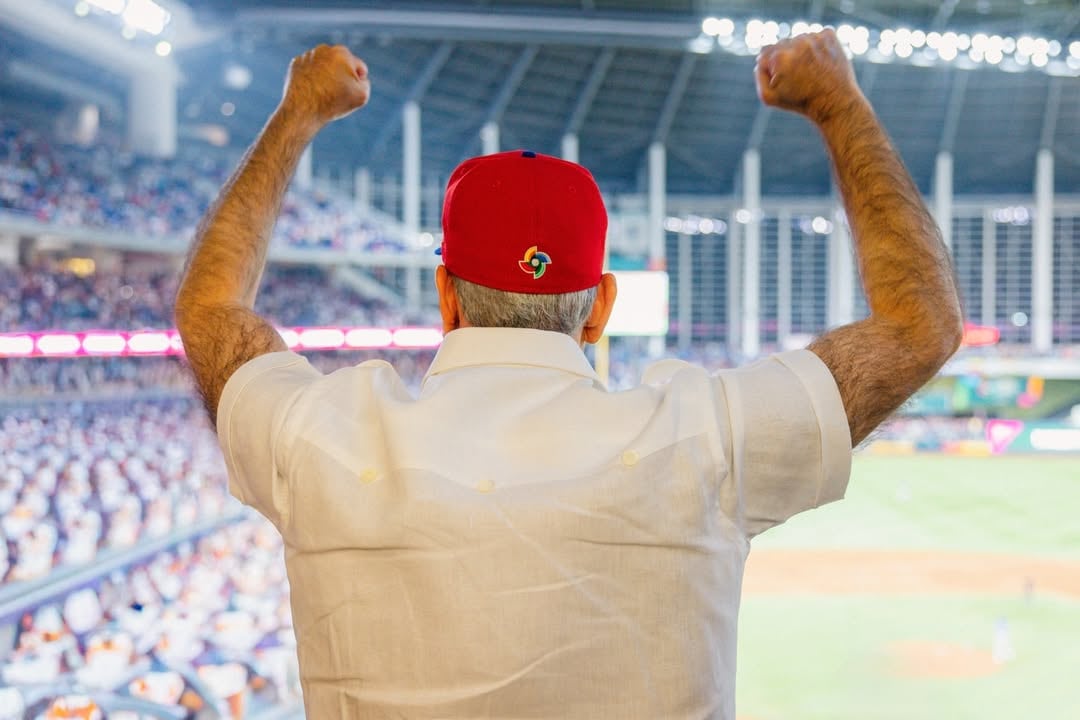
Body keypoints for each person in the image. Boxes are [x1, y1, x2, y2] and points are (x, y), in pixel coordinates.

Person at [175, 31, 962, 720]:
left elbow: (209, 310)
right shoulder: (703, 440)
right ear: (599, 309)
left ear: (447, 297)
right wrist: (837, 103)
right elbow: (920, 326)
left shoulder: (322, 440)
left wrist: (298, 113)